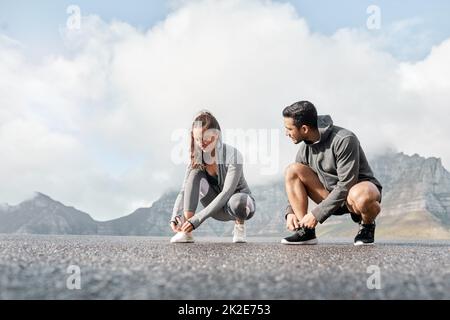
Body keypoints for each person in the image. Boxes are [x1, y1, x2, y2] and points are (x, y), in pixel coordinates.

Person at [281, 101, 382, 246]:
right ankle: (306, 232)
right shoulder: (305, 149)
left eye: (289, 129)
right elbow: (295, 183)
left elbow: (347, 184)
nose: (286, 133)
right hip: (329, 196)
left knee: (362, 196)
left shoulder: (344, 139)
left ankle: (367, 225)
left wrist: (316, 214)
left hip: (354, 195)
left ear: (304, 128)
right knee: (292, 170)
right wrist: (290, 211)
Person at [170, 110, 256, 243]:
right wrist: (175, 215)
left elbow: (227, 192)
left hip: (239, 207)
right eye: (197, 139)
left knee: (238, 201)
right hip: (215, 208)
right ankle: (186, 231)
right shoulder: (197, 159)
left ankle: (240, 226)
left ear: (216, 135)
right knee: (195, 173)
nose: (201, 143)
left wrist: (197, 220)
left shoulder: (234, 155)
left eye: (204, 138)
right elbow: (184, 189)